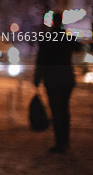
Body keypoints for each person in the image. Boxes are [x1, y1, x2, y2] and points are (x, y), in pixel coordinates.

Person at [33, 10, 81, 154]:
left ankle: (60, 143)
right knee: (65, 110)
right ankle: (65, 141)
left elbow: (41, 60)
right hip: (67, 78)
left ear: (52, 21)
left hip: (52, 79)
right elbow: (79, 48)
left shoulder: (47, 38)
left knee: (56, 110)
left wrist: (37, 78)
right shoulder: (68, 38)